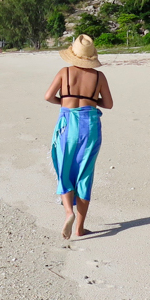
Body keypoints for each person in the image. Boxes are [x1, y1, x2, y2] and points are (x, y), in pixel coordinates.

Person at [44, 34, 113, 239]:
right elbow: (108, 104)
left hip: (67, 123)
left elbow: (48, 96)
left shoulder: (64, 72)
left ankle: (68, 212)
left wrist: (65, 103)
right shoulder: (99, 77)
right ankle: (80, 228)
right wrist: (91, 101)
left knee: (64, 168)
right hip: (90, 124)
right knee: (85, 173)